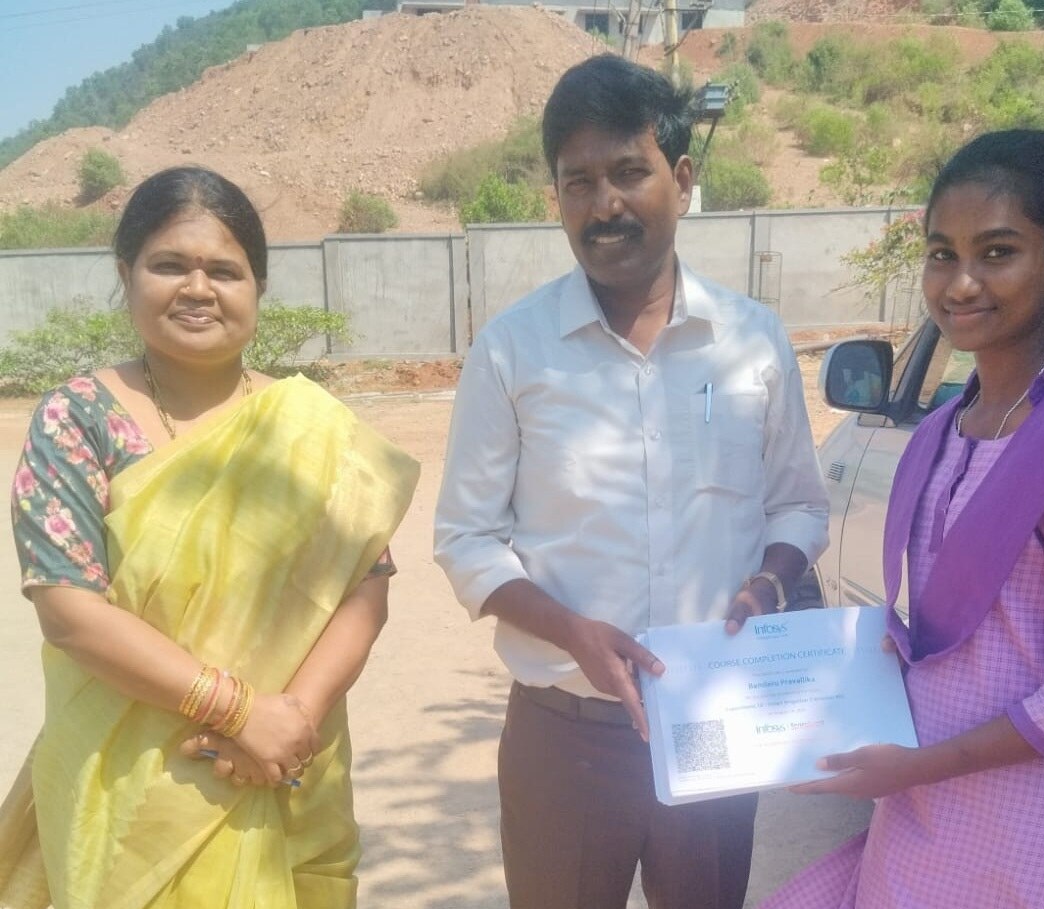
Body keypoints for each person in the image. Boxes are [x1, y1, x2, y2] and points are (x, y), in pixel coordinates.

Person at [760, 130, 1044, 909]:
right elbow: (943, 639)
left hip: (1020, 838)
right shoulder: (944, 429)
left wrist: (922, 764)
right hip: (917, 815)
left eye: (997, 253)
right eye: (940, 254)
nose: (960, 283)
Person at [433, 54, 830, 909]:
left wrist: (772, 579)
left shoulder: (753, 341)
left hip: (715, 727)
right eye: (577, 182)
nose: (604, 204)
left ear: (681, 179)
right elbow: (464, 535)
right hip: (563, 740)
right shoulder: (512, 350)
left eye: (627, 173)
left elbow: (798, 502)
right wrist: (571, 629)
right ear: (555, 199)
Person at [0, 166, 419, 909]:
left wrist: (291, 721)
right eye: (170, 265)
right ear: (126, 275)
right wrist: (238, 712)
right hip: (130, 794)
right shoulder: (78, 421)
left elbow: (368, 584)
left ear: (257, 288)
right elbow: (68, 610)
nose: (199, 287)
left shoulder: (311, 426)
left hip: (288, 766)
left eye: (224, 270)